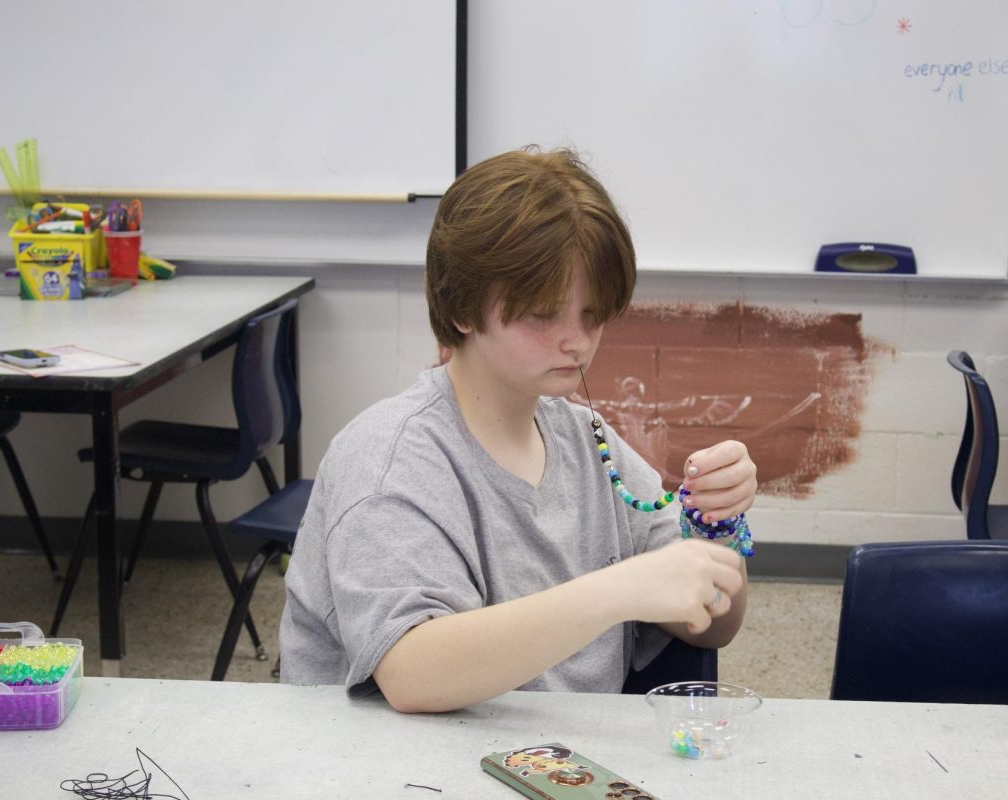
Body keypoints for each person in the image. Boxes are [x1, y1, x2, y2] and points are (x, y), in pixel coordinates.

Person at [280, 147, 757, 713]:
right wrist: (620, 589)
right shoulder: (389, 459)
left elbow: (712, 628)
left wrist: (715, 536)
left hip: (554, 764)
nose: (577, 342)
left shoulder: (588, 439)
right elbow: (413, 673)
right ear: (462, 308)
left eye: (592, 313)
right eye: (543, 314)